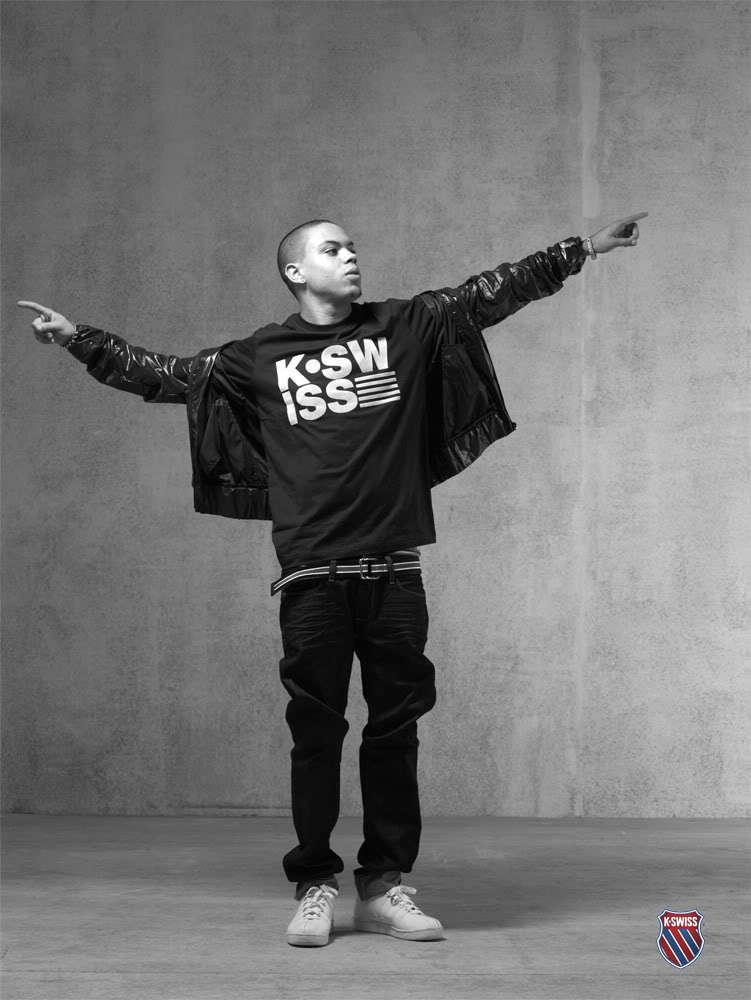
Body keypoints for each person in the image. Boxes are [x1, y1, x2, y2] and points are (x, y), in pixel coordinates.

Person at [18, 210, 646, 947]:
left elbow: (490, 293)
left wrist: (582, 249)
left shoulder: (404, 325)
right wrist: (78, 338)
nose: (350, 256)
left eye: (351, 247)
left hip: (395, 574)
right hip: (312, 577)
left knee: (394, 732)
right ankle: (315, 883)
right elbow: (168, 377)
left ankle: (382, 887)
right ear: (295, 272)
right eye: (331, 248)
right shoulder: (259, 355)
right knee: (315, 736)